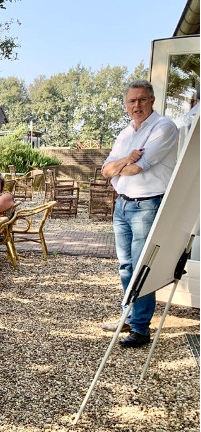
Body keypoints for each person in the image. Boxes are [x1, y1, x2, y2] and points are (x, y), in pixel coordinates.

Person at [100, 79, 179, 348]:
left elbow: (138, 169)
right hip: (122, 204)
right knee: (125, 266)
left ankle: (141, 328)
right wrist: (126, 158)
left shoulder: (164, 128)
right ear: (126, 104)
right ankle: (129, 315)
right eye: (132, 101)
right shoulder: (125, 134)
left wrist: (123, 164)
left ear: (152, 101)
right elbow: (105, 170)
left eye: (142, 99)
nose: (137, 105)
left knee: (140, 268)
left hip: (147, 204)